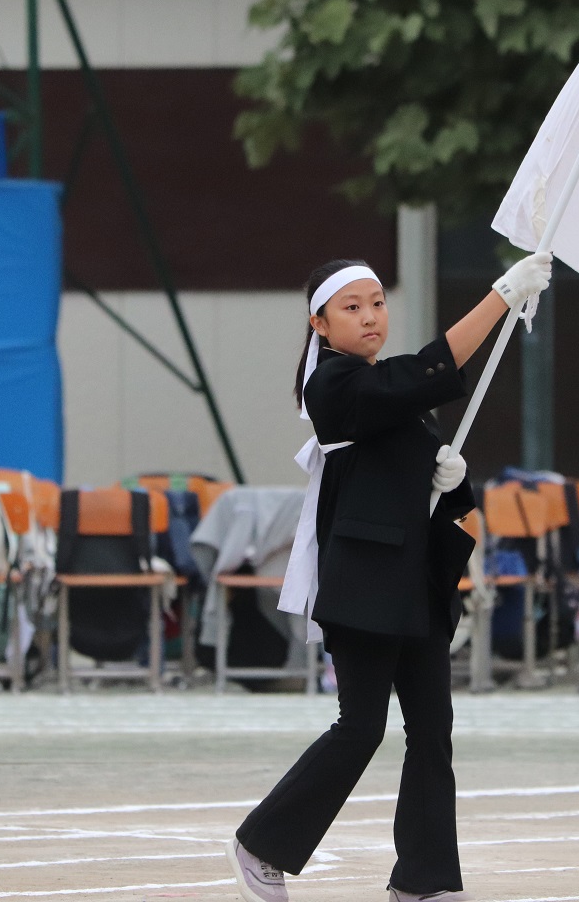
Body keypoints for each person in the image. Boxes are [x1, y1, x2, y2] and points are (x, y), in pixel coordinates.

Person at [226, 251, 553, 902]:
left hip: (414, 585)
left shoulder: (390, 392)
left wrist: (450, 484)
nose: (371, 316)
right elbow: (423, 375)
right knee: (361, 728)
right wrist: (500, 295)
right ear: (319, 323)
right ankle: (261, 845)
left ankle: (425, 881)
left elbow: (417, 464)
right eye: (352, 307)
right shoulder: (335, 388)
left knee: (431, 730)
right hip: (363, 586)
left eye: (377, 302)